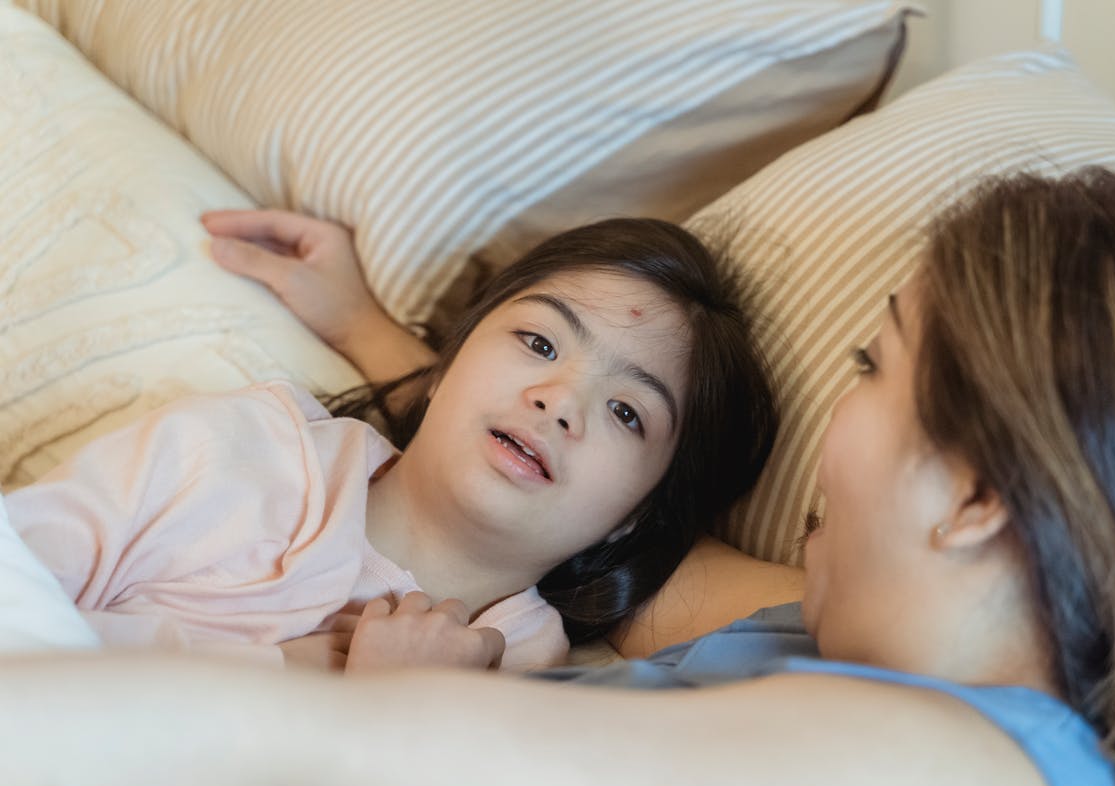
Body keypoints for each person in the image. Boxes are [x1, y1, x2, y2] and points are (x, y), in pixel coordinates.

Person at [2, 168, 1115, 786]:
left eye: (872, 369)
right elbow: (569, 512)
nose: (837, 434)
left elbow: (321, 776)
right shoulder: (820, 633)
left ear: (975, 494)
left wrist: (382, 705)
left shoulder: (980, 784)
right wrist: (388, 342)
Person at [4, 216, 777, 672]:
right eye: (540, 344)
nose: (559, 401)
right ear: (443, 369)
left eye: (627, 412)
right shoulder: (236, 449)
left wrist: (396, 717)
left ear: (635, 518)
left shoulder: (521, 675)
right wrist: (302, 674)